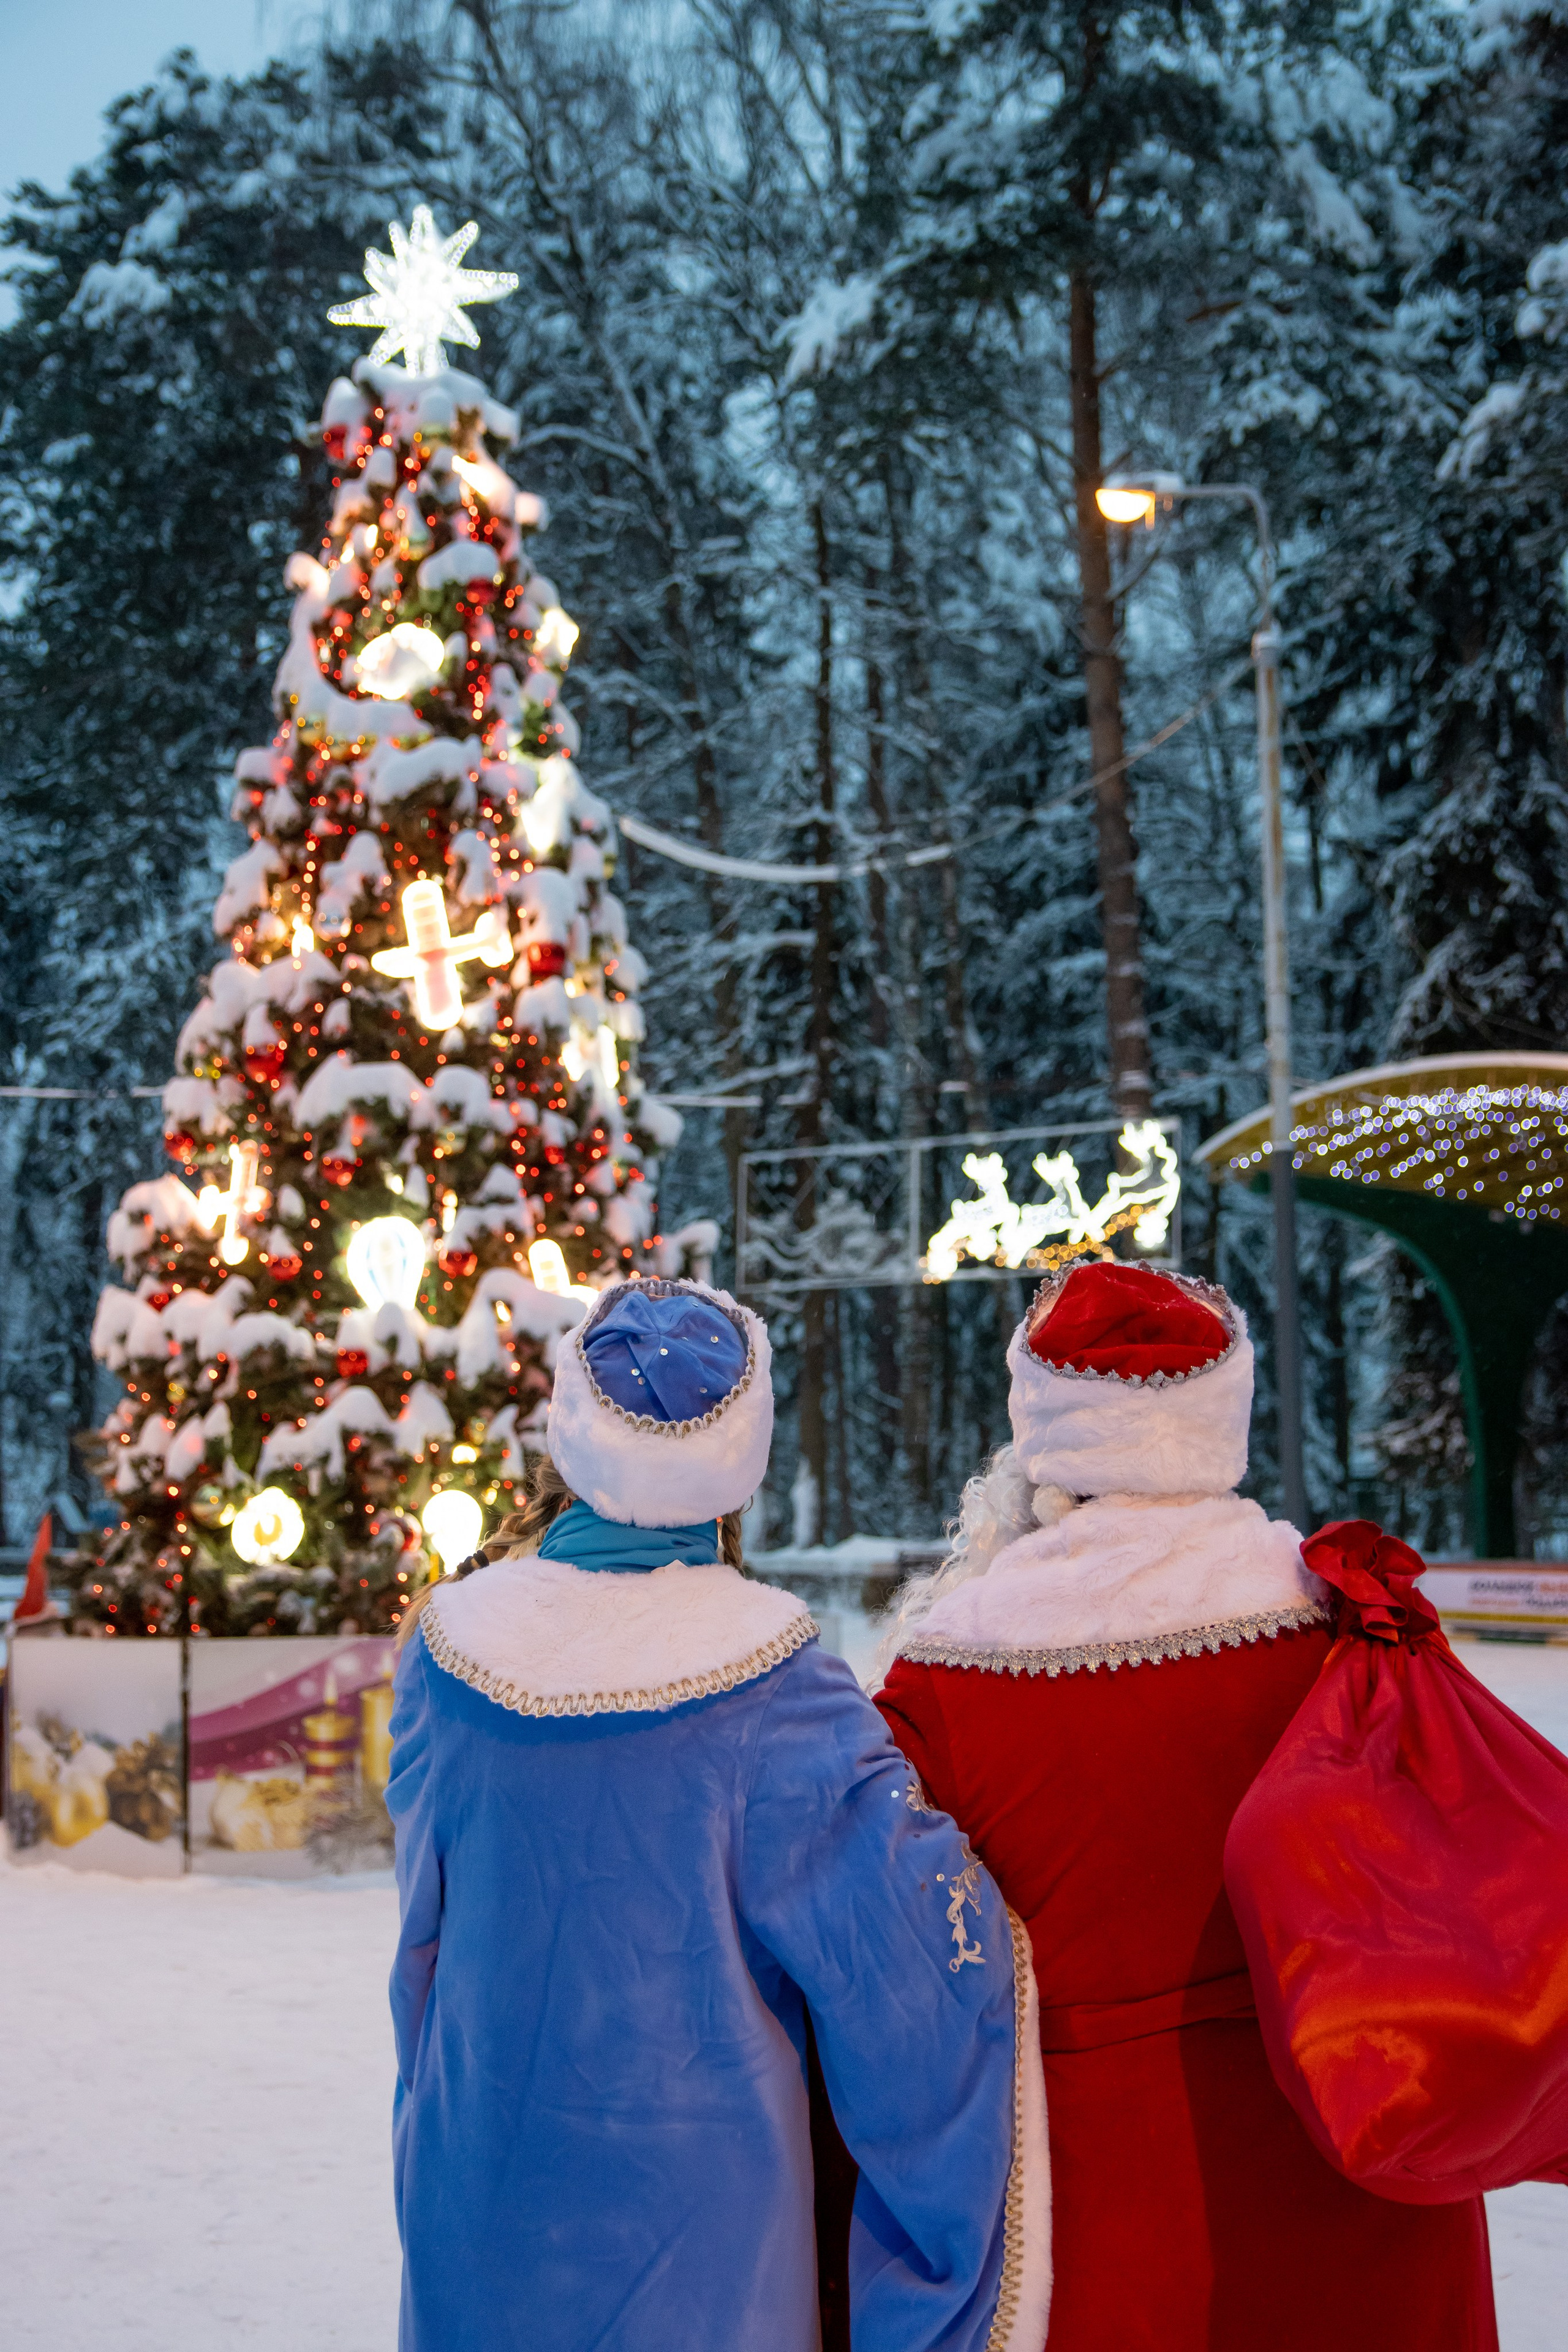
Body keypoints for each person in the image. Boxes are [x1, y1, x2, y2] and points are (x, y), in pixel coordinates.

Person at [386, 1276, 1049, 2352]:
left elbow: (425, 1945)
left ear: (570, 1432)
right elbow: (915, 1981)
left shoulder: (449, 1651)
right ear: (742, 1458)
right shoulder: (777, 1685)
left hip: (477, 2196)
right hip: (703, 2250)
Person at [876, 1257, 1498, 2352]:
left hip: (1111, 2192)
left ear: (1044, 1432)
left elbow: (905, 1967)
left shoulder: (947, 1675)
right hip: (1353, 2144)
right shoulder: (1342, 1622)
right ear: (1225, 1416)